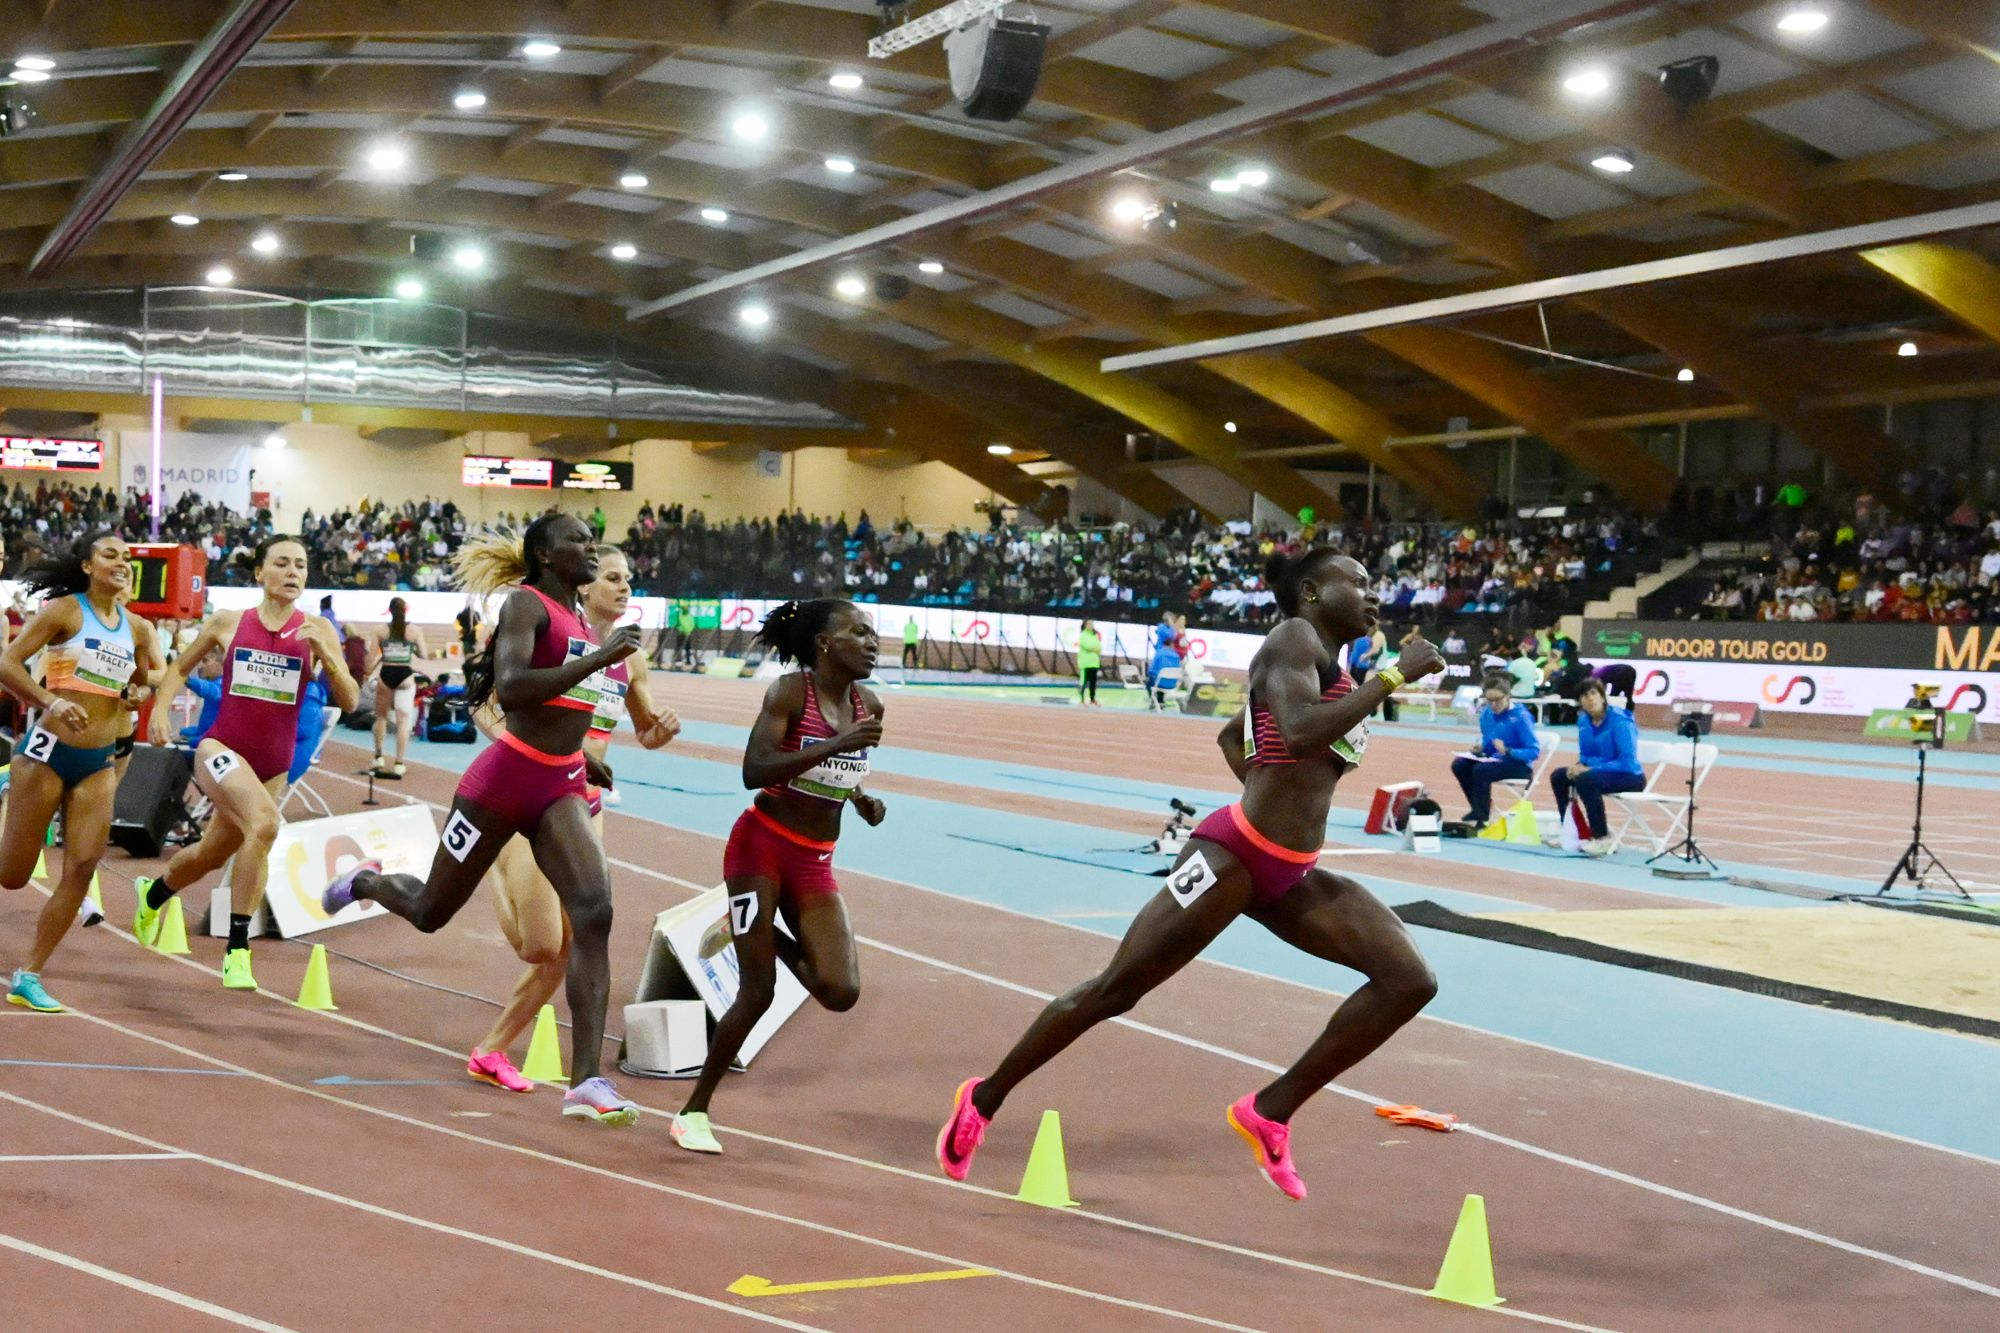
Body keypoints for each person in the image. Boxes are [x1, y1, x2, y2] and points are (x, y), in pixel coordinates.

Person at [936, 549, 1442, 1200]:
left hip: (1291, 872)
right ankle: (983, 1097)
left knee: (1409, 979)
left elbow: (1239, 737)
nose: (1376, 595)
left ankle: (1271, 1108)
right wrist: (1394, 677)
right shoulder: (1293, 637)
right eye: (1361, 582)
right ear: (1313, 590)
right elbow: (1296, 732)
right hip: (1231, 858)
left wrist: (1273, 790)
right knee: (1114, 991)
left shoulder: (1332, 666)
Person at [320, 516, 645, 1125]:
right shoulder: (528, 605)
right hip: (502, 784)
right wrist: (599, 658)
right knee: (430, 913)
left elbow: (566, 708)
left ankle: (586, 1083)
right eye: (579, 540)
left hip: (559, 783)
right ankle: (366, 881)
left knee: (594, 913)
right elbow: (516, 687)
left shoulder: (576, 618)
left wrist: (582, 757)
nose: (592, 548)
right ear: (546, 553)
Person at [669, 599, 886, 1155]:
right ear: (825, 643)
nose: (872, 642)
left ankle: (752, 928)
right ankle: (693, 1112)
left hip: (815, 858)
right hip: (760, 848)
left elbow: (833, 770)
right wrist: (839, 744)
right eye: (858, 632)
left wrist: (858, 796)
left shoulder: (871, 704)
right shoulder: (792, 692)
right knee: (758, 990)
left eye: (873, 634)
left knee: (840, 991)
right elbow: (755, 770)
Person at [467, 548, 681, 1094]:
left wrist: (660, 731)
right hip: (529, 796)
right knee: (539, 946)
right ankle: (489, 860)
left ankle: (490, 1051)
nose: (624, 586)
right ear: (583, 588)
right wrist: (566, 755)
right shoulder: (553, 636)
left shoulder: (629, 656)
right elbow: (486, 708)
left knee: (573, 945)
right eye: (612, 577)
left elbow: (644, 728)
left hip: (585, 809)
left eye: (629, 578)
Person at [138, 536, 360, 990]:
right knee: (264, 825)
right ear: (260, 573)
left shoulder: (317, 629)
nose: (293, 572)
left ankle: (154, 893)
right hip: (219, 749)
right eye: (282, 563)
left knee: (209, 853)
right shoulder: (228, 622)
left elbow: (351, 701)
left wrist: (331, 661)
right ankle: (237, 950)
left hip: (272, 765)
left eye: (300, 564)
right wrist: (160, 710)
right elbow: (180, 667)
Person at [1, 533, 165, 1012]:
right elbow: (8, 665)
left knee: (82, 866)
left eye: (127, 557)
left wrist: (137, 695)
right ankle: (10, 779)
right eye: (110, 554)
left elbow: (146, 679)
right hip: (47, 753)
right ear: (88, 565)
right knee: (11, 877)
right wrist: (50, 699)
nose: (122, 562)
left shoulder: (136, 628)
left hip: (98, 761)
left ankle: (28, 975)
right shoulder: (65, 612)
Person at [1551, 679, 1645, 856]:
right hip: (1597, 772)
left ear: (1602, 697)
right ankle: (1572, 833)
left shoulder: (1620, 721)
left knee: (1586, 779)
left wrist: (1592, 769)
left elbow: (1626, 760)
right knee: (1559, 776)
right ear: (1580, 702)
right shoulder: (1584, 722)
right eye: (1584, 696)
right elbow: (1586, 755)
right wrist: (1577, 765)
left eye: (1593, 693)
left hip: (1629, 775)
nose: (1590, 699)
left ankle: (1601, 836)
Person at [1450, 674, 1540, 829]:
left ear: (1508, 696)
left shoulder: (1521, 717)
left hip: (1518, 765)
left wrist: (1509, 750)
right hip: (1494, 760)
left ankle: (1482, 818)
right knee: (1460, 765)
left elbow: (1533, 751)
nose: (1494, 705)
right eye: (1489, 700)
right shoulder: (1487, 714)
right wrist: (1481, 748)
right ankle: (1476, 807)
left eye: (1498, 700)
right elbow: (1488, 742)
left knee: (1481, 770)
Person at [368, 597, 427, 777]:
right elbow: (424, 654)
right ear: (405, 611)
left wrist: (373, 664)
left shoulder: (380, 630)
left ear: (390, 611)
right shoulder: (414, 631)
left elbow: (369, 660)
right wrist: (412, 649)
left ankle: (378, 757)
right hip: (405, 677)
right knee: (403, 722)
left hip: (386, 675)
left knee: (381, 718)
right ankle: (399, 763)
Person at [1147, 612, 1182, 710]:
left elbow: (1173, 636)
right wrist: (1172, 626)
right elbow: (1171, 635)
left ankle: (1159, 700)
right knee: (1159, 672)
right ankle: (1158, 699)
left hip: (1164, 653)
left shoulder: (1174, 653)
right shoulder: (1162, 628)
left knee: (1160, 674)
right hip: (1161, 652)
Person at [1076, 619, 1101, 706]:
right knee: (1084, 681)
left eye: (1092, 624)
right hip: (1085, 663)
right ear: (1085, 625)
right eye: (1089, 624)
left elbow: (1099, 647)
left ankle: (1092, 699)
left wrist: (1095, 648)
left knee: (1093, 683)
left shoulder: (1095, 635)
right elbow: (1087, 646)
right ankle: (1081, 699)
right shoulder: (1083, 635)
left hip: (1094, 662)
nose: (1091, 625)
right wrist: (1095, 648)